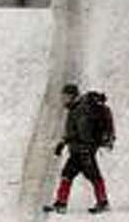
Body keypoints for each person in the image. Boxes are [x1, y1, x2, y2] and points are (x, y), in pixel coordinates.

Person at [43, 83, 113, 214]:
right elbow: (73, 131)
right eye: (63, 97)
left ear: (73, 96)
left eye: (66, 97)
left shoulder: (81, 110)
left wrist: (70, 143)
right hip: (78, 150)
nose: (63, 100)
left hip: (83, 151)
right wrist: (63, 143)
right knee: (69, 174)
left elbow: (83, 133)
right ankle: (61, 203)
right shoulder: (75, 109)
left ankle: (102, 203)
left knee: (91, 176)